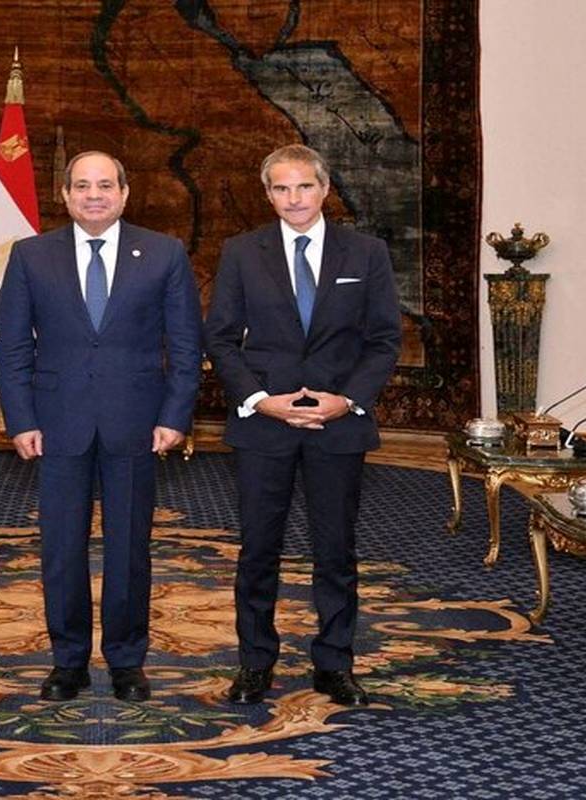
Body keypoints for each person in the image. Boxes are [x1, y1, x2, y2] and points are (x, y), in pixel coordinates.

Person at [0, 151, 202, 702]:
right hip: (56, 423)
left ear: (125, 193)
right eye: (82, 186)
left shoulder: (163, 253)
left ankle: (127, 661)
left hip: (137, 423)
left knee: (130, 547)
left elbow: (185, 345)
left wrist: (175, 415)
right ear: (65, 195)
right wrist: (20, 418)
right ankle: (68, 662)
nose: (94, 195)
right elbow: (11, 347)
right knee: (61, 548)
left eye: (105, 185)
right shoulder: (30, 255)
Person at [204, 143, 401, 706]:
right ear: (268, 195)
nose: (294, 198)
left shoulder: (366, 253)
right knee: (257, 550)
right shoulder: (242, 252)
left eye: (304, 186)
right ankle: (255, 664)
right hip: (264, 425)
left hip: (338, 425)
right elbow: (220, 337)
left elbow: (384, 340)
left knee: (336, 551)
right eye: (282, 188)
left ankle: (335, 665)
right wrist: (260, 400)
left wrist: (348, 400)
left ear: (325, 189)